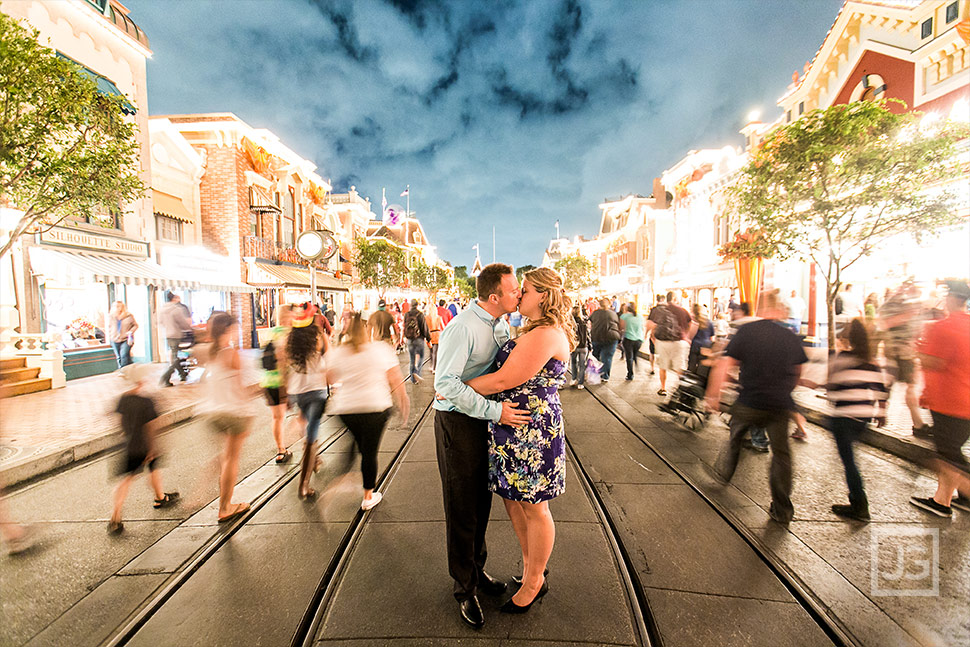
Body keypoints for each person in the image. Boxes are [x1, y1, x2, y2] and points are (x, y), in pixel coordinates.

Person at [466, 267, 572, 614]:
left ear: (542, 295)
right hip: (512, 427)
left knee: (535, 506)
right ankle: (531, 569)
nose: (519, 295)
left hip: (532, 430)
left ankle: (533, 581)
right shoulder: (533, 330)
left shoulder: (544, 335)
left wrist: (454, 388)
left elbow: (503, 380)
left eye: (524, 290)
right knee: (514, 500)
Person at [433, 263, 531, 629]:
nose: (518, 294)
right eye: (513, 290)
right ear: (495, 297)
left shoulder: (500, 324)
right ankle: (465, 588)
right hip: (457, 422)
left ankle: (477, 570)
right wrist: (496, 411)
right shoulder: (463, 328)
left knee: (481, 500)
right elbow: (445, 384)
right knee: (461, 504)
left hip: (484, 420)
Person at [705, 291, 808, 524]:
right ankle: (782, 509)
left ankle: (723, 473)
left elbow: (725, 364)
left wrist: (713, 394)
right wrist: (786, 391)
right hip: (778, 405)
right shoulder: (790, 336)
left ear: (760, 310)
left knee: (735, 436)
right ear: (779, 309)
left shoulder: (747, 332)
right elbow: (799, 370)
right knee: (781, 455)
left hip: (750, 400)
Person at [326, 312, 410, 510]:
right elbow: (395, 379)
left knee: (361, 446)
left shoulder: (340, 351)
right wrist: (403, 401)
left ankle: (343, 477)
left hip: (346, 409)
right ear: (366, 329)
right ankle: (367, 496)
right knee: (369, 453)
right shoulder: (380, 349)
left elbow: (329, 378)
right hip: (375, 407)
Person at [910, 280, 970, 517]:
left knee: (947, 456)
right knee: (952, 451)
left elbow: (935, 361)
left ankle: (950, 499)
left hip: (950, 401)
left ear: (952, 299)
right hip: (964, 400)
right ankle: (944, 500)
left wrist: (915, 350)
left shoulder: (943, 327)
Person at [822, 318, 888, 522]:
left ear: (848, 338)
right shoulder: (872, 362)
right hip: (862, 418)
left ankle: (860, 504)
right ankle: (857, 501)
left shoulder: (842, 358)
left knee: (849, 462)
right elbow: (881, 390)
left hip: (843, 417)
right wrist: (881, 413)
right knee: (851, 460)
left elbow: (831, 385)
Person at [108, 363, 179, 534]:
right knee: (149, 471)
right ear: (141, 381)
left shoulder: (123, 399)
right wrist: (152, 448)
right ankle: (157, 499)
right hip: (145, 444)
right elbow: (152, 426)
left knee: (130, 478)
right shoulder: (147, 401)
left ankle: (118, 515)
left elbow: (119, 422)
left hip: (129, 443)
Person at [200, 312, 253, 523]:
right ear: (227, 330)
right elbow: (239, 388)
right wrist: (248, 408)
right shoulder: (231, 353)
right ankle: (225, 506)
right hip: (232, 412)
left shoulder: (210, 354)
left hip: (212, 412)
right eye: (233, 328)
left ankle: (213, 495)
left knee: (224, 456)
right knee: (231, 459)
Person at [286, 309, 328, 499]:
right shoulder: (317, 338)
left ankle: (314, 458)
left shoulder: (291, 341)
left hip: (298, 393)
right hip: (316, 391)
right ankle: (304, 485)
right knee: (312, 435)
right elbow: (327, 353)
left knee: (310, 430)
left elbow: (284, 365)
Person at [878, 281, 929, 437]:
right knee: (890, 386)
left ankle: (917, 424)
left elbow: (917, 329)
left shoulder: (909, 305)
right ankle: (880, 414)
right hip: (898, 352)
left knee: (904, 386)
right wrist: (907, 316)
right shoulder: (893, 306)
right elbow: (884, 323)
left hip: (903, 351)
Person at [260, 305, 293, 464]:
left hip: (267, 381)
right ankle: (282, 451)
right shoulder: (288, 334)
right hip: (281, 381)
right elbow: (283, 359)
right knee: (287, 417)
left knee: (276, 418)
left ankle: (281, 449)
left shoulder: (271, 332)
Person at [646, 291, 691, 397]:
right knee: (679, 367)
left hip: (663, 341)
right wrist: (685, 335)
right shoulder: (682, 310)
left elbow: (651, 324)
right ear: (675, 298)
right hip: (679, 341)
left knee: (663, 366)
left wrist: (651, 337)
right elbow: (690, 323)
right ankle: (683, 390)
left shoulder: (659, 310)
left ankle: (663, 388)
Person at [158, 292, 193, 387]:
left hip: (168, 335)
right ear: (173, 299)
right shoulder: (176, 309)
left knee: (175, 355)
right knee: (175, 357)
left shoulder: (162, 310)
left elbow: (160, 322)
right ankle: (165, 377)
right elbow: (182, 323)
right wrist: (190, 329)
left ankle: (183, 374)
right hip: (177, 335)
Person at [589, 298, 621, 382]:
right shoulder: (613, 313)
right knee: (607, 358)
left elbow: (590, 323)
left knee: (596, 356)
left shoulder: (595, 313)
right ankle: (605, 376)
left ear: (599, 304)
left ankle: (596, 375)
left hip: (597, 336)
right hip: (611, 337)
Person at [403, 299, 431, 383]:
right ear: (417, 305)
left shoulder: (406, 314)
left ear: (411, 305)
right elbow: (424, 327)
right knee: (421, 357)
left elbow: (405, 326)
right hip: (419, 339)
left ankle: (413, 379)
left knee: (412, 359)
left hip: (410, 339)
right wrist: (428, 338)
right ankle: (417, 373)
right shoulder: (420, 314)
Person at [107, 301, 138, 369]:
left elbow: (135, 325)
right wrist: (110, 336)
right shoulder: (111, 317)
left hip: (126, 339)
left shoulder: (128, 316)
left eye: (119, 306)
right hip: (114, 339)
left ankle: (124, 371)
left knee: (124, 355)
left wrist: (130, 331)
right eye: (115, 306)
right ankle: (126, 369)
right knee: (119, 357)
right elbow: (109, 327)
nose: (117, 308)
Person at [687, 302, 714, 375]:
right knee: (703, 367)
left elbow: (689, 335)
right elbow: (712, 337)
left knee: (691, 366)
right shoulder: (709, 322)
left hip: (694, 346)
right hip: (706, 346)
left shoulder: (693, 322)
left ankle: (691, 380)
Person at [620, 302, 644, 381]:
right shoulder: (640, 316)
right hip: (639, 339)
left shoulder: (624, 316)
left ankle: (630, 374)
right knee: (634, 355)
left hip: (629, 338)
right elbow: (642, 327)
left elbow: (622, 327)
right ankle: (636, 363)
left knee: (629, 357)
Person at [645, 294, 666, 375]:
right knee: (662, 353)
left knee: (652, 352)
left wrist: (646, 333)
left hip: (654, 334)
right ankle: (662, 369)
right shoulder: (667, 310)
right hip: (664, 334)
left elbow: (649, 323)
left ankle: (652, 368)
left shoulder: (653, 310)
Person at [570, 305, 589, 389]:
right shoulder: (584, 322)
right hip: (583, 346)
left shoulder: (570, 324)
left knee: (573, 363)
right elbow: (587, 335)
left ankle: (574, 379)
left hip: (574, 346)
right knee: (582, 365)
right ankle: (580, 384)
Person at [426, 303, 444, 373]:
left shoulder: (426, 318)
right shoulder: (439, 318)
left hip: (429, 335)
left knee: (431, 352)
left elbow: (425, 328)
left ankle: (431, 366)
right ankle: (434, 368)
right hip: (437, 335)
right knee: (435, 352)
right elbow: (443, 327)